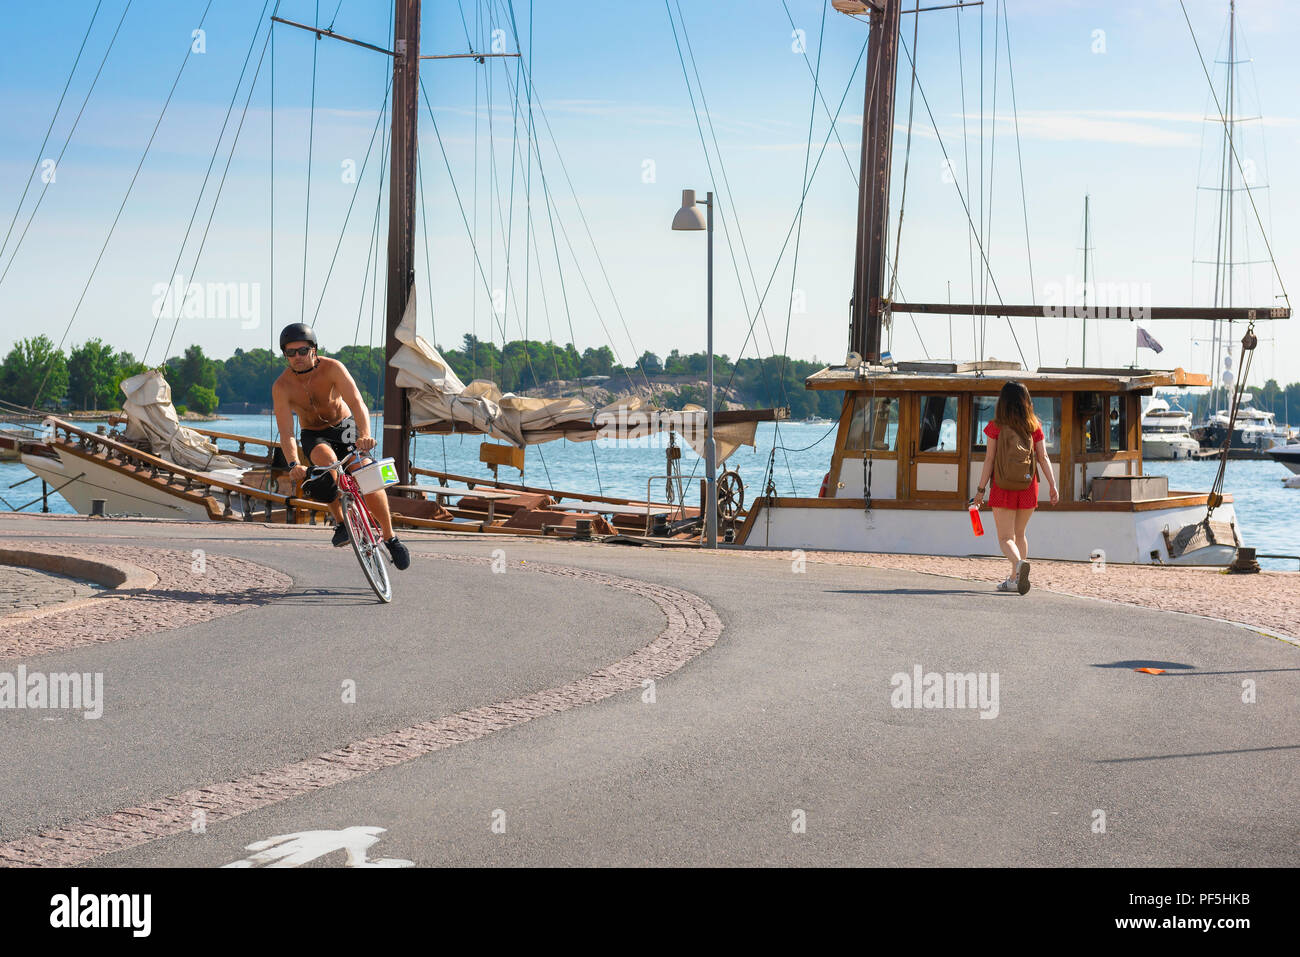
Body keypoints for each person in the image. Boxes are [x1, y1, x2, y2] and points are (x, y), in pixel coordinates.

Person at [271, 323, 410, 571]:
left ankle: (391, 538)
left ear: (314, 350)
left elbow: (357, 402)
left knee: (366, 474)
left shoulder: (332, 368)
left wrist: (365, 434)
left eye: (302, 351)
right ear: (285, 356)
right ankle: (341, 523)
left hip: (344, 426)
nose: (297, 358)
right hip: (313, 433)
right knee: (325, 469)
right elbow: (286, 432)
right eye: (290, 353)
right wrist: (293, 463)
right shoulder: (282, 386)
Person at [972, 381, 1058, 594]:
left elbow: (989, 460)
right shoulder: (1034, 426)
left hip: (1003, 486)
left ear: (1003, 402)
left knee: (1005, 538)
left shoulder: (995, 426)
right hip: (1029, 485)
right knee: (1020, 534)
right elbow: (1043, 456)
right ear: (1025, 402)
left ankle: (1019, 567)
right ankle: (1014, 579)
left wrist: (980, 490)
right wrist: (1053, 484)